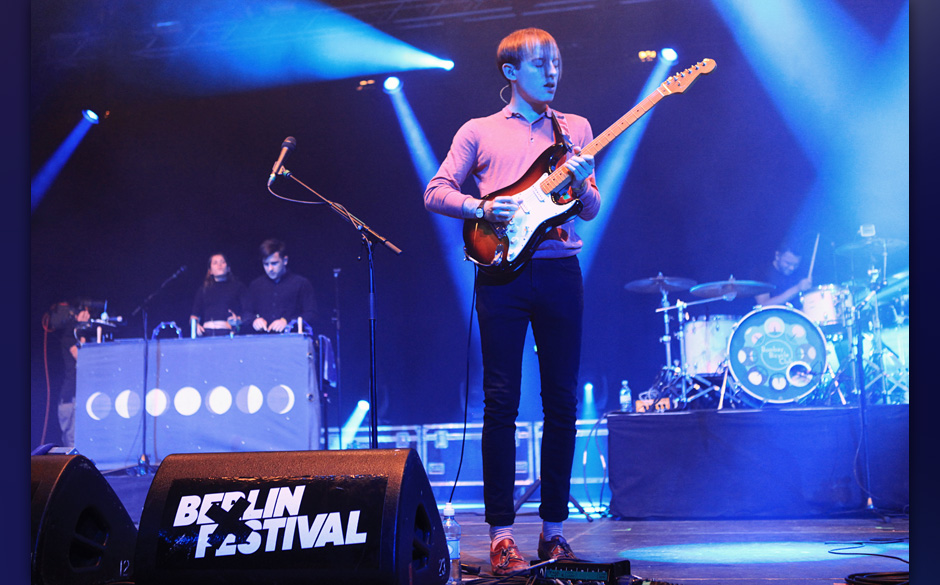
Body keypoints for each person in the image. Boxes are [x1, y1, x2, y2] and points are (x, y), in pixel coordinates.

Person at [423, 28, 600, 576]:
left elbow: (589, 210)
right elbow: (435, 190)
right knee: (501, 401)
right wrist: (480, 209)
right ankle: (501, 535)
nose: (552, 72)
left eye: (557, 62)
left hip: (559, 271)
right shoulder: (478, 131)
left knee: (562, 403)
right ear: (510, 73)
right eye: (540, 63)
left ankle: (553, 532)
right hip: (500, 276)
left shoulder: (575, 129)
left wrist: (585, 182)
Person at [44, 300, 92, 448]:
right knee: (72, 443)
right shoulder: (69, 338)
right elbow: (80, 356)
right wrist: (81, 329)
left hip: (78, 397)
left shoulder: (80, 336)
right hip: (70, 399)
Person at [246, 238, 318, 334]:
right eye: (266, 264)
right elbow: (246, 313)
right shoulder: (255, 285)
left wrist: (288, 321)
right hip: (262, 340)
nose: (270, 268)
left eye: (274, 263)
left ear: (285, 260)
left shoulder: (301, 283)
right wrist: (254, 320)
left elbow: (311, 314)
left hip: (292, 340)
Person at [189, 253, 249, 337]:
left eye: (222, 262)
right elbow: (194, 315)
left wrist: (238, 320)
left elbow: (247, 312)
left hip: (228, 333)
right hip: (207, 333)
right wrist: (196, 326)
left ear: (228, 268)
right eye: (215, 263)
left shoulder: (238, 287)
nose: (219, 265)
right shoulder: (203, 289)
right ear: (210, 271)